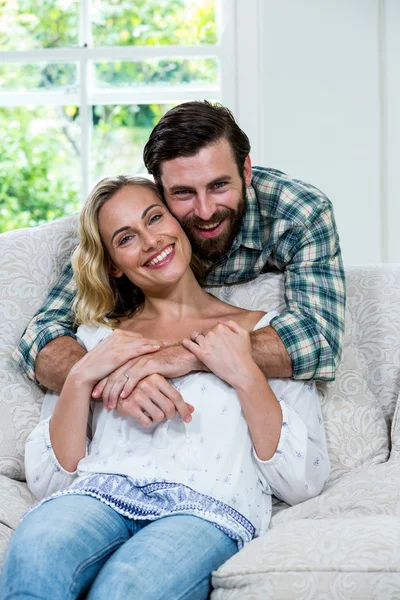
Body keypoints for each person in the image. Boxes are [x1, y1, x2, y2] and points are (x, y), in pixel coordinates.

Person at [1, 176, 330, 600]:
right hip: (97, 495)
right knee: (36, 556)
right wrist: (85, 376)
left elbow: (303, 480)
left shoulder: (262, 334)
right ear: (114, 264)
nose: (151, 241)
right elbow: (51, 479)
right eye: (126, 238)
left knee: (125, 589)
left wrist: (245, 372)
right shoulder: (97, 341)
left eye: (155, 218)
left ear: (178, 222)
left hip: (206, 510)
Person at [14, 101, 346, 424]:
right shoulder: (142, 221)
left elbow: (318, 338)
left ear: (245, 171)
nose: (204, 211)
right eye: (184, 193)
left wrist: (184, 355)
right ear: (159, 189)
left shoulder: (299, 212)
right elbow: (42, 334)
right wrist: (117, 381)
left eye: (218, 185)